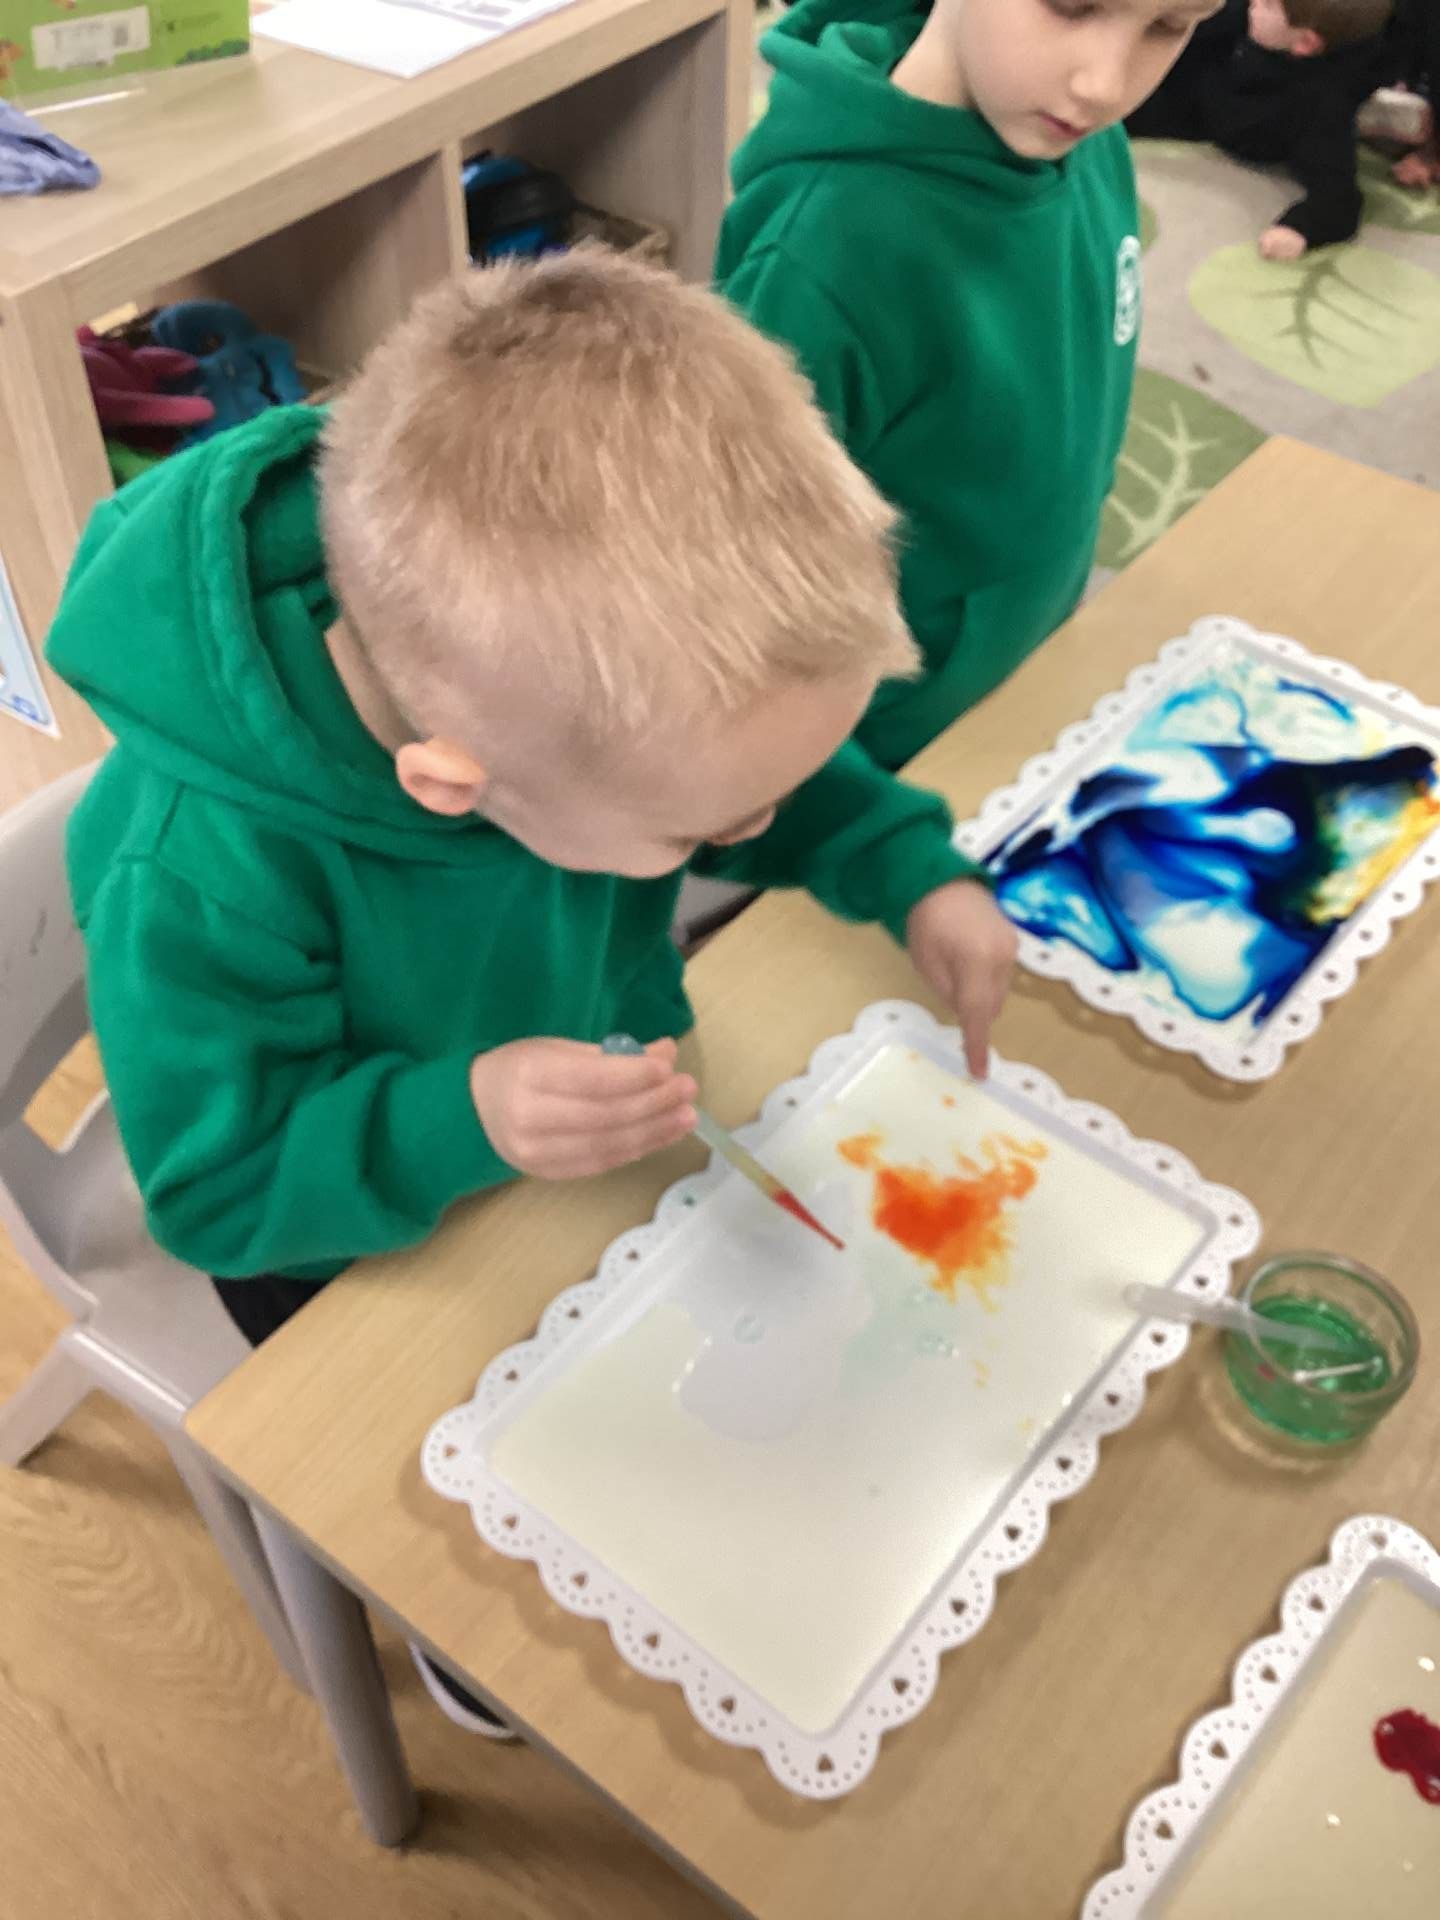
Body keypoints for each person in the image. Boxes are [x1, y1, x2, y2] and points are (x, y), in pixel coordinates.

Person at [47, 253, 1016, 1722]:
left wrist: (908, 868)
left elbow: (743, 770)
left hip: (577, 1127)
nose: (745, 832)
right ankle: (463, 1644)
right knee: (521, 1559)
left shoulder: (548, 706)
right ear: (454, 788)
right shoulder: (200, 873)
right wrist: (467, 1115)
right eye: (703, 834)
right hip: (336, 1249)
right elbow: (218, 1192)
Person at [717, 0, 1221, 783]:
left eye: (1167, 27)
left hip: (1025, 649)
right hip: (881, 739)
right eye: (1072, 6)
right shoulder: (822, 252)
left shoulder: (1085, 140)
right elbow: (730, 586)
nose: (1106, 85)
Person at [1128, 0, 1397, 257]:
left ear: (1305, 42)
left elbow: (1339, 199)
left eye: (1267, 3)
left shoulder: (1320, 108)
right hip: (1206, 76)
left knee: (1125, 113)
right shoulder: (1247, 16)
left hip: (1212, 117)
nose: (1254, 3)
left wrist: (1299, 229)